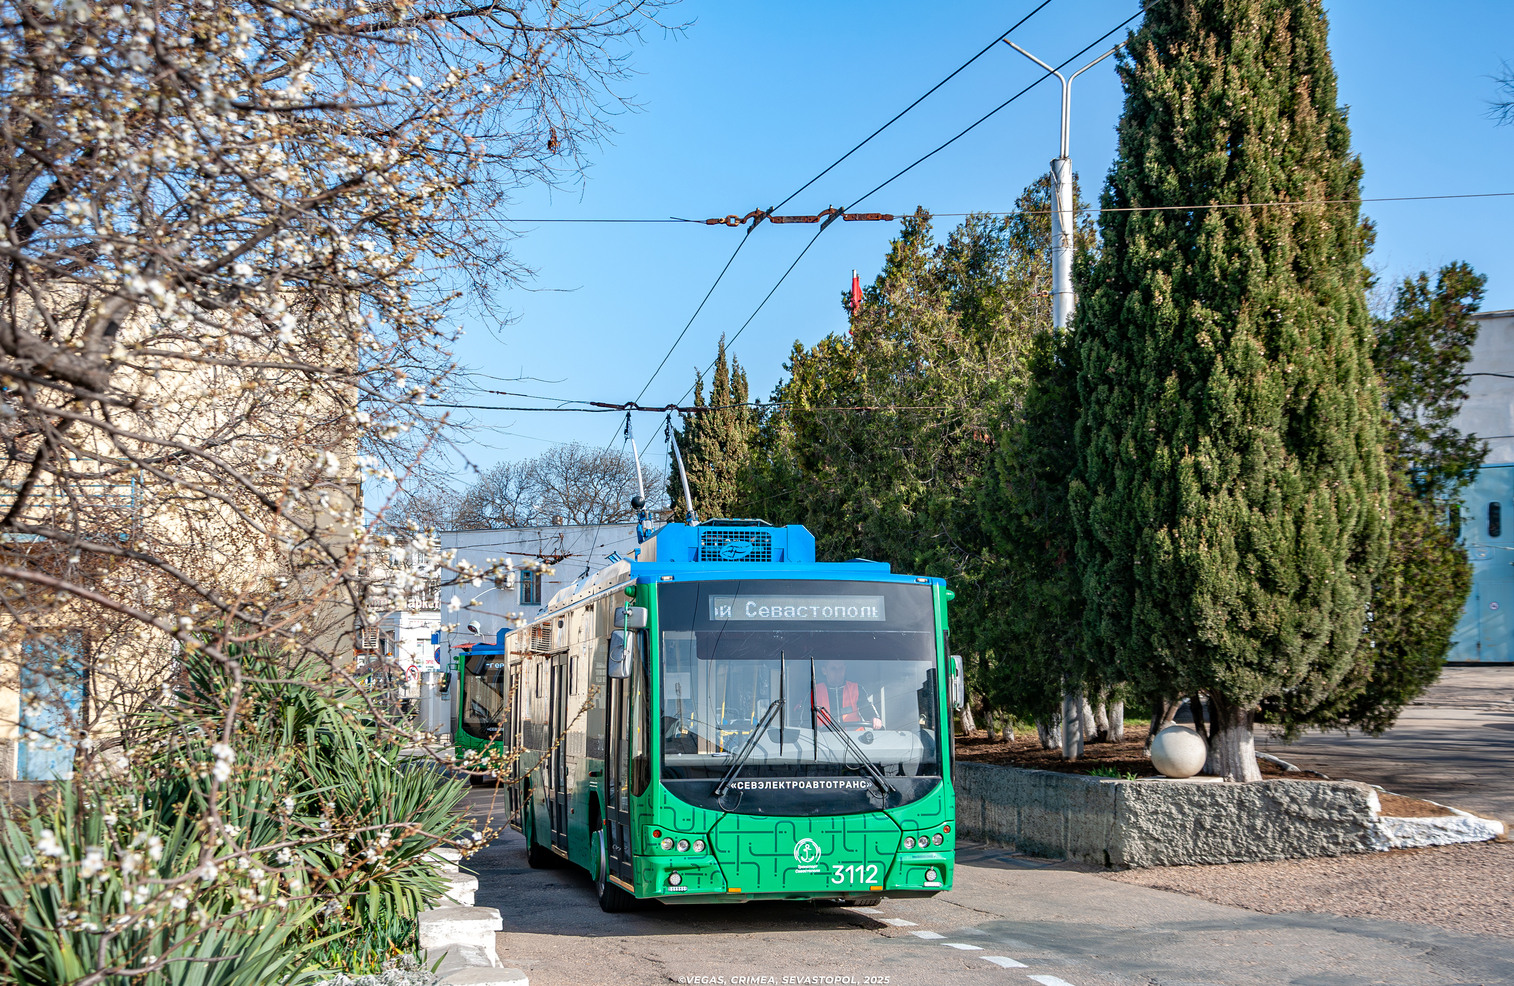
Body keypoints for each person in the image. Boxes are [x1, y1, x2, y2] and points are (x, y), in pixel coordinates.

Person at [812, 659, 883, 729]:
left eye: (841, 668)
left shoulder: (856, 689)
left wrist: (874, 718)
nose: (838, 672)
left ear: (845, 669)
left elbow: (867, 708)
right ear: (824, 671)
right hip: (823, 739)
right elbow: (804, 722)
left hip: (855, 739)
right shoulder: (815, 692)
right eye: (833, 668)